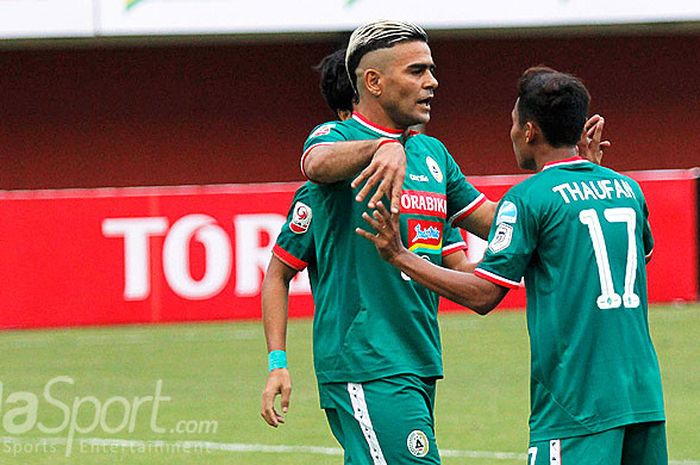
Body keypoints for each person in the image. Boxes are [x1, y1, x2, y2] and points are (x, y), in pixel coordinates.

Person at [358, 67, 667, 465]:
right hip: (643, 399)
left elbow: (485, 295)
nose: (511, 132)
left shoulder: (527, 198)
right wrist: (592, 171)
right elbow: (635, 256)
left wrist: (399, 255)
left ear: (529, 131)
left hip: (576, 407)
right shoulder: (626, 189)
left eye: (513, 123)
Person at [260, 47, 473, 429]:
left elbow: (464, 268)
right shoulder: (324, 183)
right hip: (365, 362)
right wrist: (278, 362)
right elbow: (278, 272)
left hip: (421, 358)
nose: (429, 83)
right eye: (415, 72)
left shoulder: (431, 161)